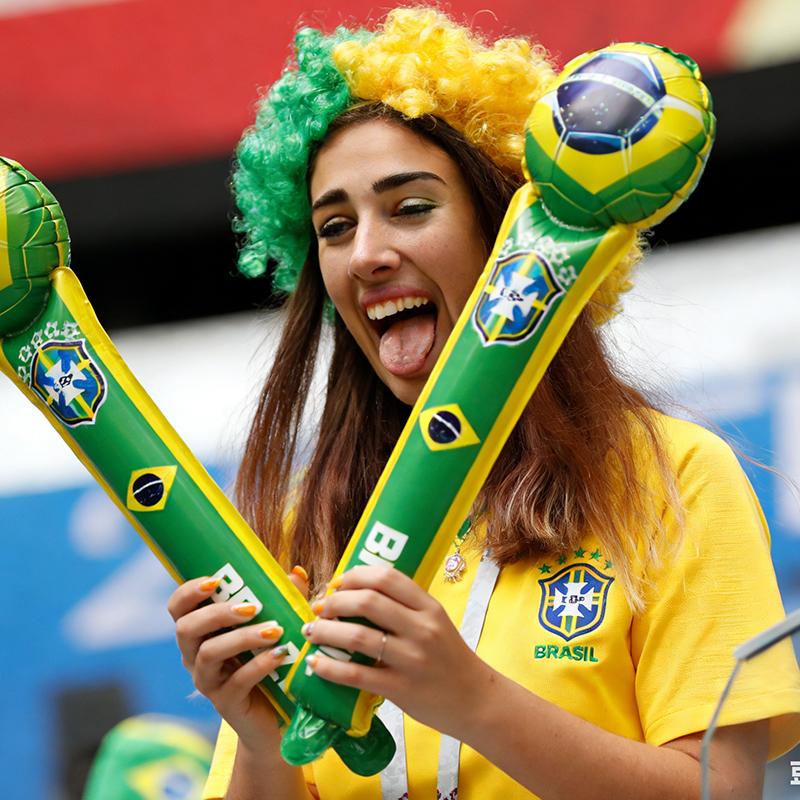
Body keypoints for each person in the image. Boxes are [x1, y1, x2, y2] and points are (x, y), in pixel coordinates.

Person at [167, 8, 800, 799]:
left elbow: (720, 790)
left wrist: (470, 699)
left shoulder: (675, 477)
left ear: (504, 228)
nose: (366, 254)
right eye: (334, 227)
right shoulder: (306, 523)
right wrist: (263, 746)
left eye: (411, 207)